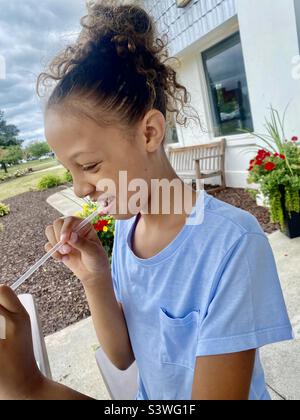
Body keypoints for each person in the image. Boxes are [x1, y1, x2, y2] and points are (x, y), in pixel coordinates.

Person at [0, 1, 293, 400]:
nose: (81, 189)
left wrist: (29, 387)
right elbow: (122, 356)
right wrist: (95, 277)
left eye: (89, 164)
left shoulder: (231, 244)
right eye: (71, 171)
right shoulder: (128, 226)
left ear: (150, 133)